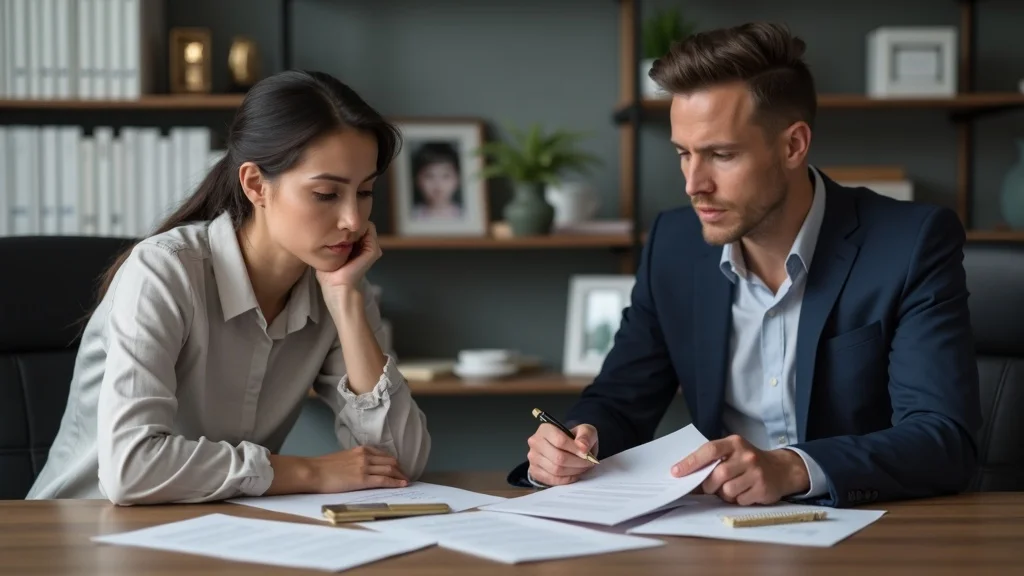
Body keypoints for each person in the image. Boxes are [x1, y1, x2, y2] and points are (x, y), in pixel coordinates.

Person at [511, 22, 981, 508]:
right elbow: (618, 401)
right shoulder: (675, 243)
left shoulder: (910, 243)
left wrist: (794, 467)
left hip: (870, 533)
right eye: (684, 154)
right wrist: (574, 441)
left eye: (721, 154)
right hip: (720, 531)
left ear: (793, 145)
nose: (694, 183)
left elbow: (942, 439)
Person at [27, 70, 431, 505]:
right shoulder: (165, 271)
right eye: (326, 194)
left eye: (365, 192)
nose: (354, 220)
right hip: (77, 532)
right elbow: (131, 469)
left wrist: (346, 303)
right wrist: (309, 470)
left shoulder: (340, 285)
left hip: (211, 531)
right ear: (256, 184)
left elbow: (396, 463)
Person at [410, 141, 463, 219]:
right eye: (429, 176)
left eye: (446, 176)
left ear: (458, 179)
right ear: (417, 180)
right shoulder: (413, 216)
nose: (438, 184)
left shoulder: (464, 216)